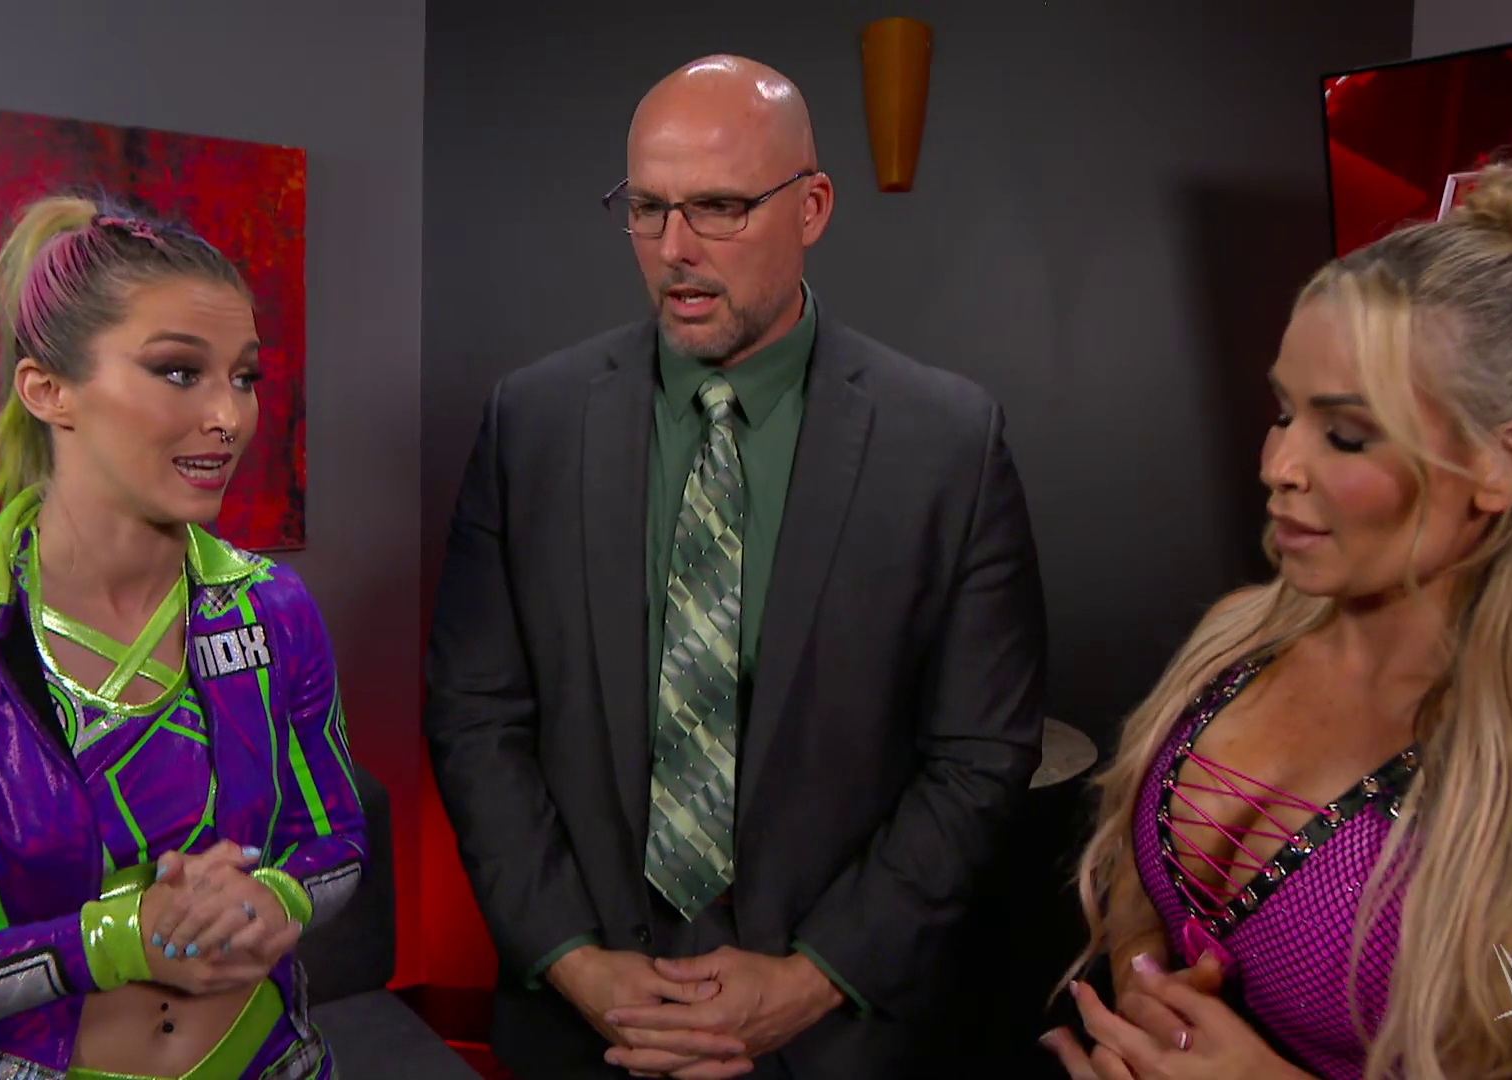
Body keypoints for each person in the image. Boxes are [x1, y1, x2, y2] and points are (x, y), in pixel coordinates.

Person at [424, 55, 1047, 1079]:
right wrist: (574, 961)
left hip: (832, 1040)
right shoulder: (531, 423)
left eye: (718, 208)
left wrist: (812, 978)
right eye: (647, 209)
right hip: (581, 1033)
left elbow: (979, 755)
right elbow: (476, 716)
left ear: (812, 207)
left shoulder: (947, 444)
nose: (675, 249)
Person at [1040, 161, 1512, 1080]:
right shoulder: (1236, 641)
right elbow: (1141, 886)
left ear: (1504, 465)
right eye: (1284, 412)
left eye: (1346, 433)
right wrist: (1149, 1007)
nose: (1279, 465)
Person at [0, 196, 366, 1078]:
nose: (230, 416)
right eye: (180, 371)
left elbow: (335, 840)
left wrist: (276, 897)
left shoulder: (272, 609)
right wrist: (101, 944)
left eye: (245, 377)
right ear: (47, 391)